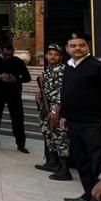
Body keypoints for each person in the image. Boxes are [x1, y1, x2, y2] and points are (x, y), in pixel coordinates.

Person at [59, 32, 101, 201]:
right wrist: (64, 115)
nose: (77, 48)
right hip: (74, 122)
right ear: (67, 49)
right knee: (82, 161)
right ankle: (89, 195)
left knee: (99, 162)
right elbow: (66, 93)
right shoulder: (68, 67)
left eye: (81, 45)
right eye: (73, 46)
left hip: (96, 123)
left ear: (88, 46)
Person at [0, 43, 31, 153]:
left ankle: (21, 144)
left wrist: (15, 79)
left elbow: (27, 77)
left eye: (10, 54)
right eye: (5, 54)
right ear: (0, 51)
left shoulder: (17, 61)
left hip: (14, 93)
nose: (8, 57)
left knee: (18, 119)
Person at [36, 43, 71, 180]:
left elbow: (63, 92)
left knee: (60, 137)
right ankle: (52, 163)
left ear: (61, 57)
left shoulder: (63, 71)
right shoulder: (47, 71)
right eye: (50, 54)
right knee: (49, 134)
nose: (53, 57)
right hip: (46, 107)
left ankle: (65, 169)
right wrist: (39, 94)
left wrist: (57, 109)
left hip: (57, 108)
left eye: (56, 55)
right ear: (46, 56)